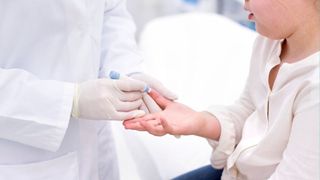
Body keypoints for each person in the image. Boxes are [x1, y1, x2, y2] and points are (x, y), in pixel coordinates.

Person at [123, 0, 320, 179]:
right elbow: (250, 112)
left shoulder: (315, 86)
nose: (244, 3)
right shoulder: (271, 41)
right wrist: (198, 121)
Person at [0, 0, 176, 179]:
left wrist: (126, 70)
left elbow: (110, 12)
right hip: (18, 154)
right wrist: (69, 100)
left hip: (95, 145)